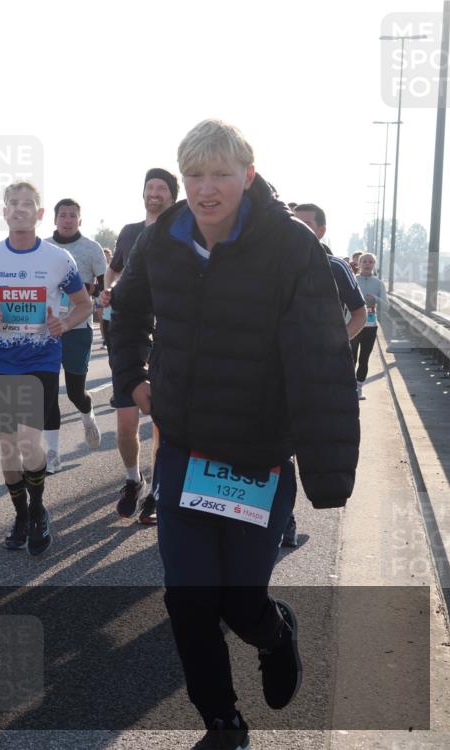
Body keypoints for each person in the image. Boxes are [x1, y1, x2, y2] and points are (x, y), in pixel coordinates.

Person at [111, 120, 358, 749]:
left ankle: (276, 633)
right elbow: (128, 308)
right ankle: (221, 718)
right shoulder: (162, 238)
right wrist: (131, 377)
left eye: (221, 174)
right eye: (195, 175)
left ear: (247, 177)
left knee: (241, 602)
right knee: (189, 598)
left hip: (257, 457)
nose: (206, 188)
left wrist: (329, 474)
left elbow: (321, 359)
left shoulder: (291, 247)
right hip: (184, 450)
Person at [0, 181, 92, 556]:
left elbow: (83, 304)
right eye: (12, 204)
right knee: (7, 448)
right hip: (0, 362)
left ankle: (38, 510)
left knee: (28, 441)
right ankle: (21, 515)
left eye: (28, 204)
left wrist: (64, 324)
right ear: (4, 212)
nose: (19, 209)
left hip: (41, 361)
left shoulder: (57, 260)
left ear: (38, 213)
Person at [102, 168, 178, 524]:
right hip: (130, 331)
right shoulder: (130, 233)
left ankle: (158, 491)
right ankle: (133, 479)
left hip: (171, 336)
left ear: (173, 196)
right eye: (150, 187)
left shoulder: (184, 232)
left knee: (163, 421)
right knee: (126, 422)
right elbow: (113, 270)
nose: (155, 193)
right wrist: (109, 290)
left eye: (162, 188)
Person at [288, 203, 366, 547]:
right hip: (280, 373)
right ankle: (282, 519)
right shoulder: (272, 263)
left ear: (320, 230)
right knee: (278, 450)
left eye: (307, 224)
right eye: (296, 223)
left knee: (315, 445)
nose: (300, 230)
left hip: (322, 375)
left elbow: (360, 313)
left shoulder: (335, 266)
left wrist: (333, 346)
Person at [44, 198, 108, 472]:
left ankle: (88, 415)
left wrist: (100, 296)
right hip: (44, 330)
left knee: (74, 392)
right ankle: (53, 454)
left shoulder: (92, 249)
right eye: (63, 215)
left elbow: (106, 284)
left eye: (72, 215)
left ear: (80, 220)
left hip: (77, 328)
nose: (67, 220)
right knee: (46, 393)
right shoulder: (42, 247)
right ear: (55, 219)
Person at [352, 252, 387, 400]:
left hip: (371, 326)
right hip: (353, 323)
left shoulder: (379, 283)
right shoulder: (353, 280)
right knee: (350, 358)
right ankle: (349, 387)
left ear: (374, 264)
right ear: (359, 264)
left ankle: (359, 388)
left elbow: (387, 306)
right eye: (364, 261)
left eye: (371, 261)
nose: (367, 264)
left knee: (364, 359)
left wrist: (376, 298)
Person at [98, 247, 112, 352]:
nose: (105, 257)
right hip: (100, 296)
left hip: (111, 297)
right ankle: (105, 339)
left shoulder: (114, 265)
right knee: (101, 318)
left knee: (107, 317)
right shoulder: (99, 267)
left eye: (106, 255)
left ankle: (107, 340)